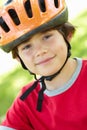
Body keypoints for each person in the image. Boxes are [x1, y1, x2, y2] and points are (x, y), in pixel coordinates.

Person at [0, 0, 87, 129]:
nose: (40, 51)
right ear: (18, 58)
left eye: (47, 37)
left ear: (67, 35)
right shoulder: (25, 103)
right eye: (27, 46)